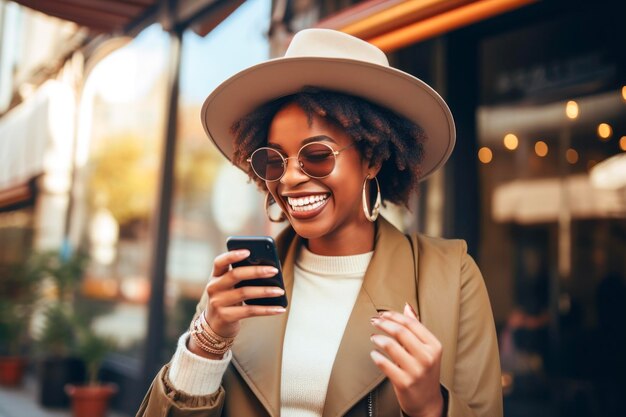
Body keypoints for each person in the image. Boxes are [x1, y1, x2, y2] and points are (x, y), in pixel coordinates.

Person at [137, 28, 502, 417]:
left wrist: (432, 406)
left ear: (371, 160)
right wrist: (207, 344)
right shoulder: (243, 281)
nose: (289, 177)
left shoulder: (451, 276)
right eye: (274, 160)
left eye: (316, 155)